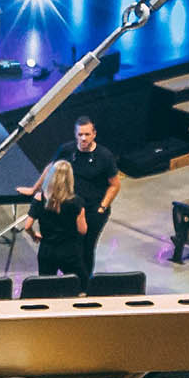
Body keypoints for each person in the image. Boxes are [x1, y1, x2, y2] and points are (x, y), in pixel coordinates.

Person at [20, 116, 121, 280]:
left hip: (92, 210)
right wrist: (34, 189)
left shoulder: (105, 156)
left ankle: (84, 284)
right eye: (80, 134)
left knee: (86, 248)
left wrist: (102, 207)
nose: (84, 138)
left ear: (94, 134)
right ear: (75, 134)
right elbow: (51, 168)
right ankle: (64, 281)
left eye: (87, 134)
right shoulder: (67, 150)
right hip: (69, 207)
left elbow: (115, 185)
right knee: (67, 247)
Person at [21, 160, 89, 286]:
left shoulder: (39, 198)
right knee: (81, 284)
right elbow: (82, 230)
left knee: (46, 286)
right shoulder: (76, 202)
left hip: (47, 251)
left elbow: (27, 226)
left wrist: (34, 235)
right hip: (69, 251)